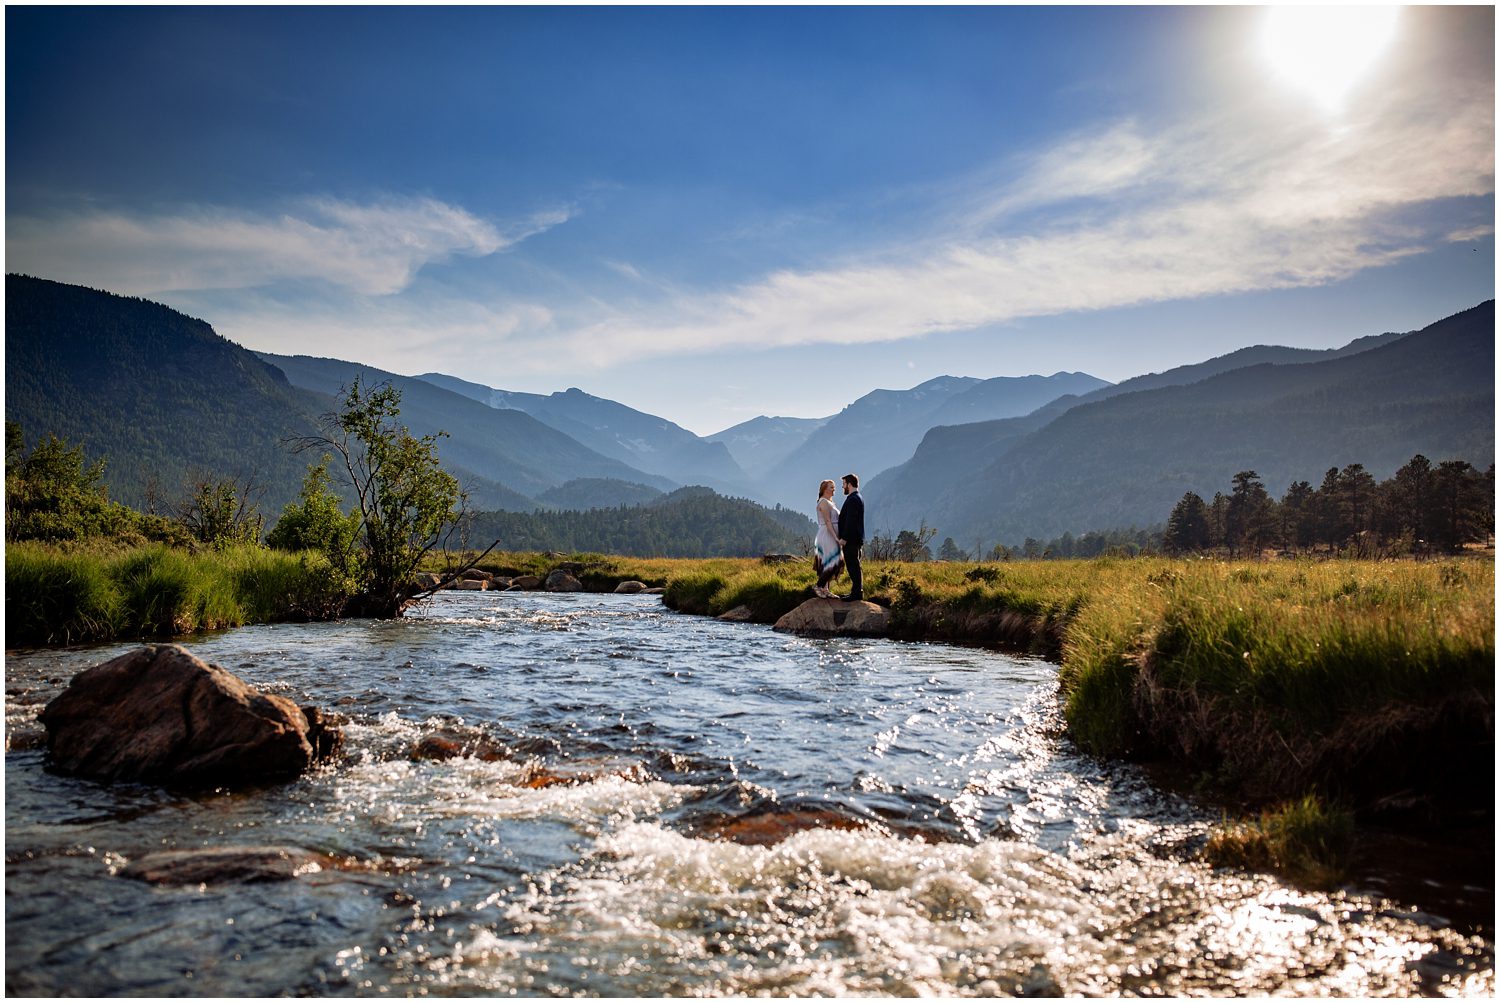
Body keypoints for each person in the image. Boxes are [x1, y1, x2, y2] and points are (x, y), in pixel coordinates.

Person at [811, 479, 843, 598]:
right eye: (831, 487)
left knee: (831, 561)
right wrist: (836, 537)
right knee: (833, 561)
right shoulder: (823, 502)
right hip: (827, 535)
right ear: (824, 489)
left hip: (831, 534)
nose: (834, 489)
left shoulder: (830, 502)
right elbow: (828, 522)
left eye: (834, 487)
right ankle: (818, 586)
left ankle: (826, 589)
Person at [836, 473, 864, 602]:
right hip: (855, 539)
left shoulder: (853, 499)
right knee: (854, 565)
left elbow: (851, 521)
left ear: (849, 484)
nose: (843, 487)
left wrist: (844, 538)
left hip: (851, 540)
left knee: (853, 566)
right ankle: (856, 592)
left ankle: (857, 593)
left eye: (844, 484)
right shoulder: (857, 497)